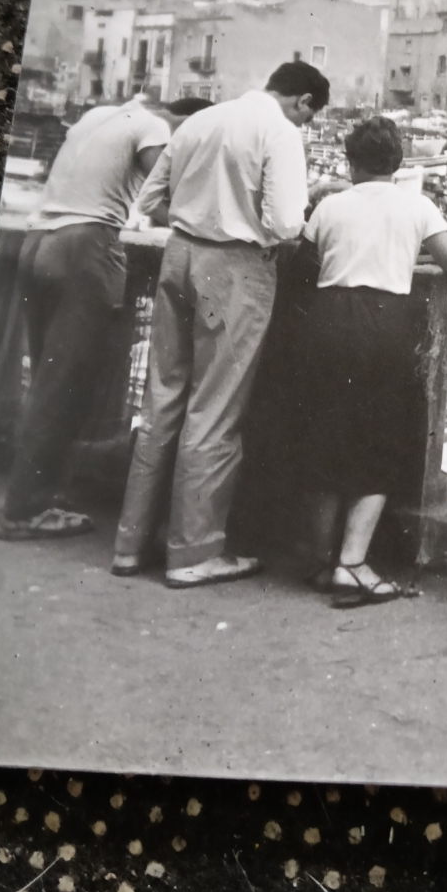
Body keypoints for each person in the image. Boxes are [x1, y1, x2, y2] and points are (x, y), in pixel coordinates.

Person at [111, 61, 330, 588]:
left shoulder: (200, 121)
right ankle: (192, 552)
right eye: (309, 115)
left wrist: (198, 219)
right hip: (232, 272)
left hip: (180, 257)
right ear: (302, 102)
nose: (305, 124)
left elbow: (149, 201)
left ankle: (129, 543)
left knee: (161, 398)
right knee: (215, 406)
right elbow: (283, 224)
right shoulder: (279, 131)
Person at [0, 95, 211, 542]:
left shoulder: (100, 116)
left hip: (39, 242)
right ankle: (26, 508)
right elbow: (158, 199)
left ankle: (43, 491)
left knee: (46, 378)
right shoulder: (156, 128)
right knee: (65, 386)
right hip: (86, 247)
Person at [299, 115, 447, 608]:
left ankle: (318, 559)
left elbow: (305, 265)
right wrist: (408, 257)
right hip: (384, 323)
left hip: (328, 320)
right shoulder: (416, 205)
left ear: (351, 162)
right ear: (397, 164)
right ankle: (352, 564)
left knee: (325, 437)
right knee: (377, 440)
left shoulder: (331, 205)